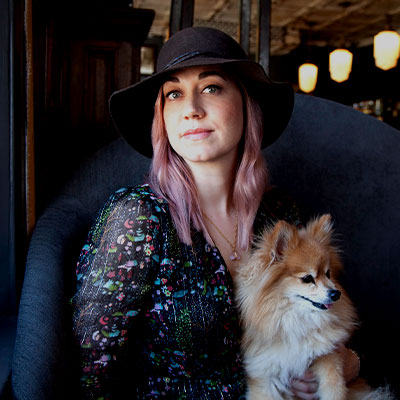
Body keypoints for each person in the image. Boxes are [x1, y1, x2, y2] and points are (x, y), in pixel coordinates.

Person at [71, 27, 359, 399]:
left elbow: (333, 317)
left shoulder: (280, 214)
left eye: (211, 87)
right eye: (174, 94)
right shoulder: (137, 219)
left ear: (246, 103)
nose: (191, 108)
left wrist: (347, 363)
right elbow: (91, 374)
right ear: (162, 118)